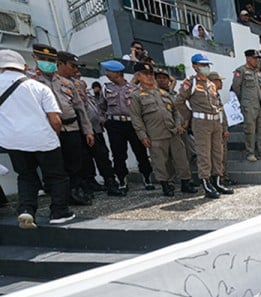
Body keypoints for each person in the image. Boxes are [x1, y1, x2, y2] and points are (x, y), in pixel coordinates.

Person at [0, 49, 75, 228]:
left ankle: (26, 210)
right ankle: (59, 212)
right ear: (24, 67)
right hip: (43, 139)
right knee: (56, 176)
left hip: (13, 141)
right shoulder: (39, 87)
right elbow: (55, 119)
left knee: (25, 176)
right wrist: (54, 135)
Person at [30, 46, 96, 206]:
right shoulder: (31, 82)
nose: (48, 63)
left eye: (51, 61)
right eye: (44, 60)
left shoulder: (66, 83)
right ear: (35, 58)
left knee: (75, 163)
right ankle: (60, 197)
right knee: (56, 166)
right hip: (50, 130)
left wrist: (88, 131)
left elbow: (80, 108)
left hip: (71, 128)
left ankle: (74, 192)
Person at [129, 63, 194, 197]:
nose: (149, 76)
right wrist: (142, 135)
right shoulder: (136, 96)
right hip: (155, 134)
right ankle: (166, 185)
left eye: (151, 74)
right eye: (145, 74)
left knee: (181, 158)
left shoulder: (163, 92)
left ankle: (186, 183)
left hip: (173, 132)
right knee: (160, 161)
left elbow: (175, 111)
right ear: (138, 76)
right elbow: (136, 117)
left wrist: (177, 125)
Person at [176, 53, 233, 199]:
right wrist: (189, 116)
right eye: (202, 65)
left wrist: (222, 124)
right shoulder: (191, 82)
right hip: (201, 123)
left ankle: (218, 181)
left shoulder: (210, 84)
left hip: (215, 122)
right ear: (195, 66)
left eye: (207, 65)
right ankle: (206, 183)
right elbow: (179, 101)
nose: (206, 67)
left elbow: (218, 105)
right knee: (204, 154)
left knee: (217, 153)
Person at [99, 59, 155, 193]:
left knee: (140, 152)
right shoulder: (106, 88)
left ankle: (147, 178)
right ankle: (122, 181)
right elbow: (101, 107)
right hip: (115, 124)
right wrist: (103, 120)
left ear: (118, 73)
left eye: (109, 71)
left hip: (132, 123)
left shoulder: (134, 89)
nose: (106, 74)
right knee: (118, 154)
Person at [231, 49, 261, 163]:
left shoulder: (256, 72)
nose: (256, 61)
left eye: (257, 59)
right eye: (254, 58)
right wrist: (244, 100)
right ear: (248, 58)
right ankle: (250, 152)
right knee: (250, 129)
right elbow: (236, 87)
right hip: (248, 105)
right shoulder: (241, 71)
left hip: (259, 104)